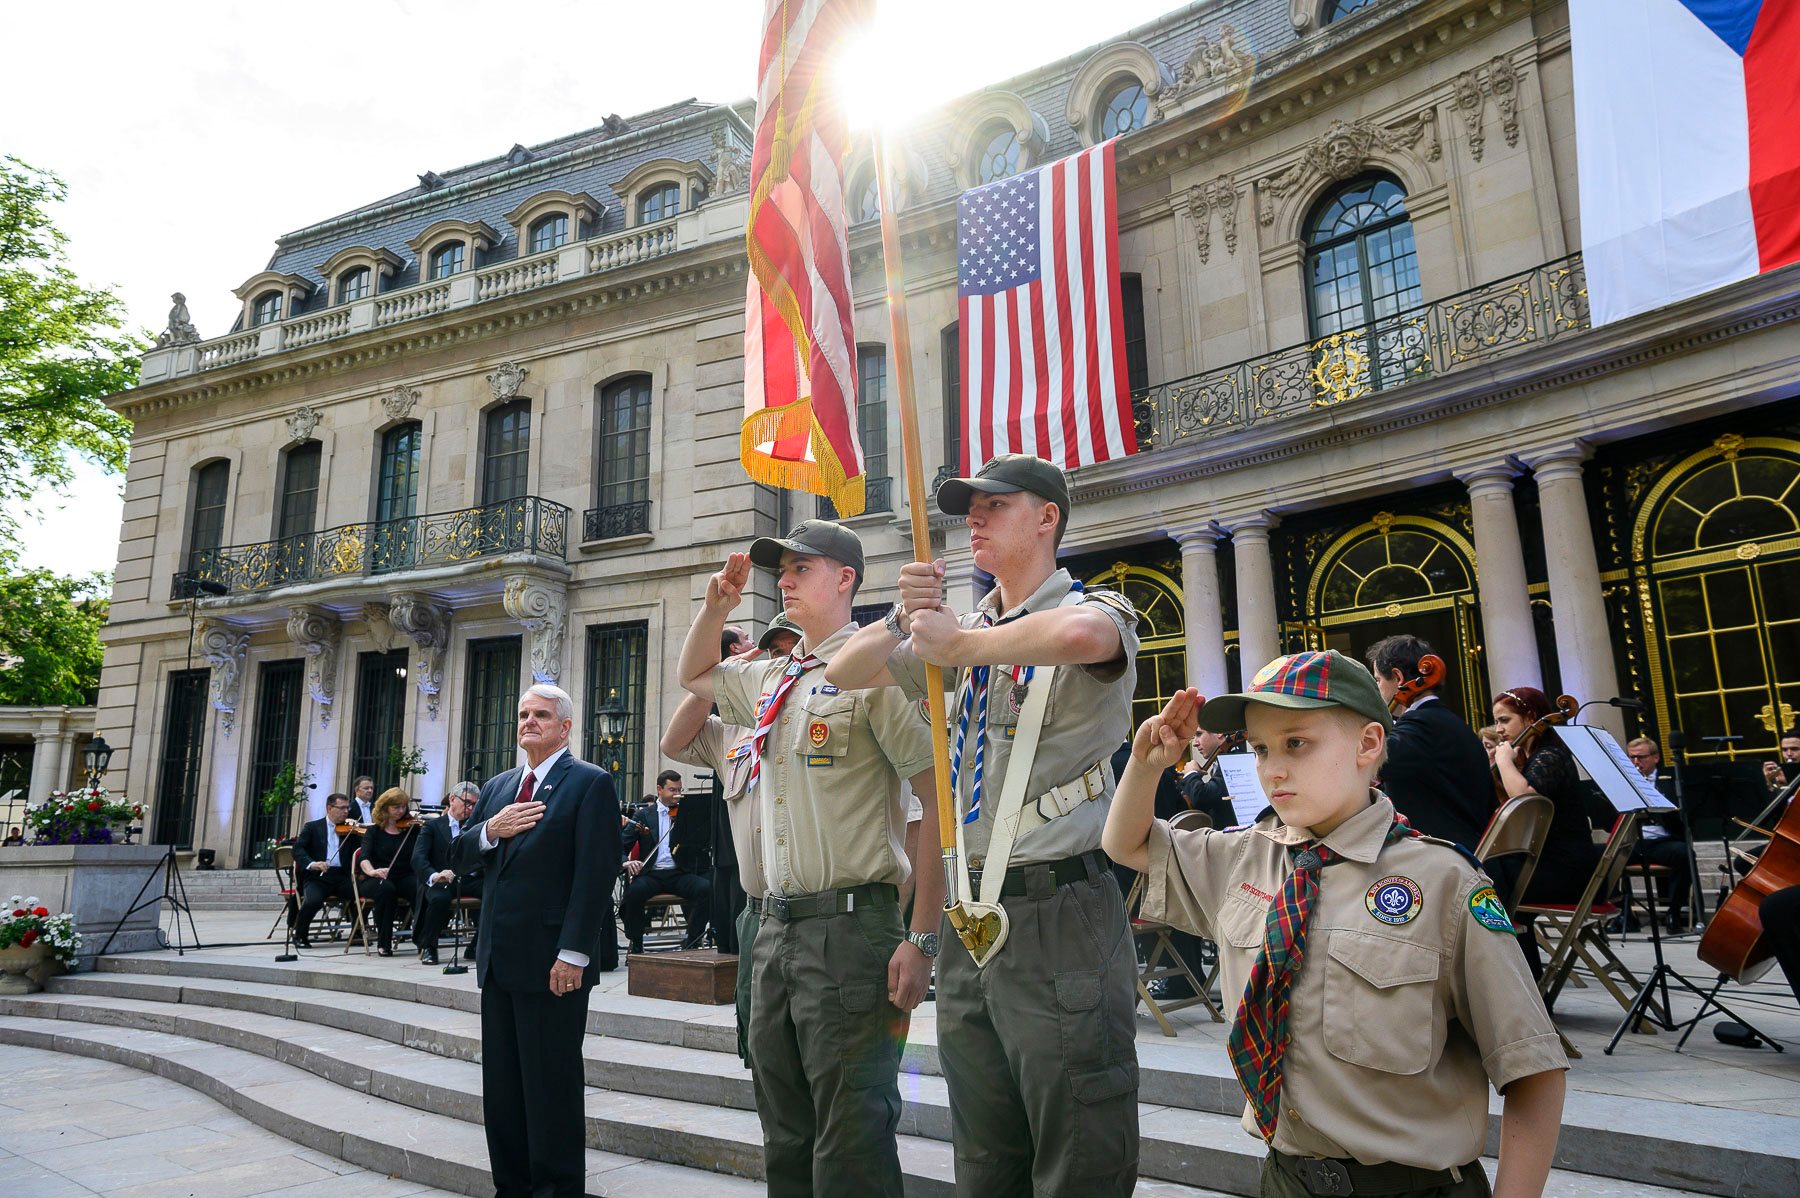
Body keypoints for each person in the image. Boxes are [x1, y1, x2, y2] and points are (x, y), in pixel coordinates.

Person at [1103, 653, 1568, 1198]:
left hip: (1410, 1186)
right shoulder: (1243, 860)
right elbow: (1127, 843)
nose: (1272, 769)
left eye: (1296, 743)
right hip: (1286, 1179)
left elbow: (1532, 1067)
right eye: (1260, 749)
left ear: (1368, 745)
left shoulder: (1445, 880)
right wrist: (1146, 764)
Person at [829, 454, 1141, 1198]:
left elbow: (1078, 642)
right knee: (986, 1152)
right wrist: (905, 618)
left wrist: (960, 647)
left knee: (1078, 1151)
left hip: (1060, 910)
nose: (972, 517)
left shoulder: (1099, 607)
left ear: (1047, 518)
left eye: (995, 504)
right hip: (974, 920)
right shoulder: (962, 626)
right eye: (968, 507)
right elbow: (844, 671)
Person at [678, 520, 941, 1198]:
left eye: (802, 568)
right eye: (782, 569)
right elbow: (696, 674)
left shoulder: (876, 670)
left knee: (851, 1132)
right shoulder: (769, 676)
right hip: (770, 928)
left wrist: (922, 937)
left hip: (851, 928)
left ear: (845, 578)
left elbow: (934, 798)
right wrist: (716, 607)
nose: (785, 580)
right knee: (785, 1128)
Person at [451, 683, 619, 1198]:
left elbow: (595, 874)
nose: (529, 722)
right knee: (502, 1090)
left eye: (541, 715)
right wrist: (490, 831)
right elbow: (459, 856)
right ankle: (513, 1187)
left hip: (553, 965)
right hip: (498, 961)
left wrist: (573, 953)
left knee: (550, 1085)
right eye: (523, 713)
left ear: (564, 726)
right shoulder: (501, 787)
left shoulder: (588, 782)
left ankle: (557, 1189)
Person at [661, 612, 802, 1066]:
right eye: (772, 651)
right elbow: (673, 744)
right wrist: (730, 678)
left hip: (820, 915)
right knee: (764, 1056)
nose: (780, 663)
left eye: (790, 651)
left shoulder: (835, 710)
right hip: (758, 916)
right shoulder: (736, 730)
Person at [1368, 634, 1495, 851]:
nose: (1376, 690)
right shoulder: (1441, 720)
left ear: (1398, 678)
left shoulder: (1421, 727)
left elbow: (1368, 762)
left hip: (1450, 859)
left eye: (1378, 680)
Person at [621, 771, 713, 952]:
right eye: (672, 790)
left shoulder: (685, 815)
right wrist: (626, 862)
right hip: (652, 874)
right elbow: (621, 845)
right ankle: (637, 943)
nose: (676, 794)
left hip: (679, 873)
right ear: (659, 790)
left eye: (679, 790)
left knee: (707, 889)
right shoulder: (644, 815)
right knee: (633, 894)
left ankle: (693, 941)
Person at [1622, 738, 1693, 930]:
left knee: (1684, 853)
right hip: (1636, 841)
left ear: (1655, 758)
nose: (1636, 762)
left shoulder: (1670, 780)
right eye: (1631, 757)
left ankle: (1674, 913)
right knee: (1602, 856)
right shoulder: (1622, 783)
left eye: (1641, 757)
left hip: (1663, 841)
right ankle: (1624, 914)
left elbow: (1682, 816)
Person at [412, 781, 481, 964]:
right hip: (441, 880)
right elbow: (418, 858)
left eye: (474, 804)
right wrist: (435, 875)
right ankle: (429, 947)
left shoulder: (476, 826)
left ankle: (476, 945)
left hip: (467, 879)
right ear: (452, 799)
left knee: (494, 892)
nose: (470, 808)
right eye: (467, 802)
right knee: (439, 898)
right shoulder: (432, 826)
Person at [291, 794, 361, 948]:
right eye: (342, 808)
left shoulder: (350, 830)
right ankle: (300, 936)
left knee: (363, 895)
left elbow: (362, 850)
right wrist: (312, 864)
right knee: (313, 901)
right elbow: (298, 849)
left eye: (347, 808)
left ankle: (357, 932)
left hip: (342, 876)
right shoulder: (312, 827)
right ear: (329, 808)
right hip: (318, 876)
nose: (346, 811)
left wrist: (359, 833)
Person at [357, 788, 420, 956]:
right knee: (386, 890)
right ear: (385, 808)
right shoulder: (374, 831)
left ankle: (423, 939)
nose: (401, 811)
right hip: (376, 877)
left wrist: (420, 830)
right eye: (396, 807)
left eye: (403, 807)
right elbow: (363, 857)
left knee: (418, 888)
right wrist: (372, 871)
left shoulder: (411, 830)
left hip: (404, 876)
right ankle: (384, 942)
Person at [1180, 726, 1246, 830]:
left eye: (1199, 734)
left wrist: (1191, 774)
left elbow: (1202, 798)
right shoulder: (1223, 759)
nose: (1195, 743)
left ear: (1219, 731)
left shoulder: (1234, 759)